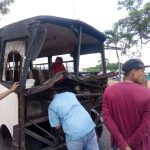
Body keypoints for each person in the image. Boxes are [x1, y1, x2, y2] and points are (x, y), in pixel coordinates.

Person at [102, 58, 150, 150]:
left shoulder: (108, 91)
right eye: (142, 71)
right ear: (133, 72)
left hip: (119, 146)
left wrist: (123, 144)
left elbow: (107, 119)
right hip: (141, 146)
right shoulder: (148, 93)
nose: (144, 74)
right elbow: (147, 125)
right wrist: (128, 145)